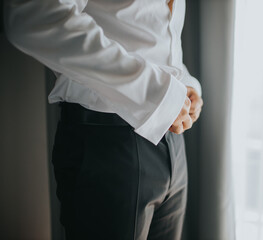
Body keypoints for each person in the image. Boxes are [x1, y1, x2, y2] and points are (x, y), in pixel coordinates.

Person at [3, 0, 203, 239]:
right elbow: (33, 14)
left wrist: (184, 83)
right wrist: (156, 92)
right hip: (108, 143)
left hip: (172, 141)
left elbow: (150, 30)